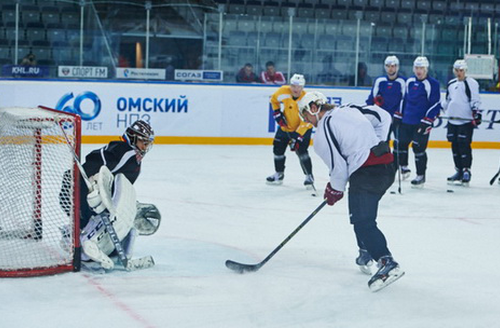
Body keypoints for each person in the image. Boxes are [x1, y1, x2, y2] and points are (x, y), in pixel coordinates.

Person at [297, 91, 404, 291]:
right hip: (387, 167)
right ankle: (365, 252)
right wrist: (377, 144)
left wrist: (333, 190)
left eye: (305, 115)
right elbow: (384, 116)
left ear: (313, 108)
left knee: (363, 221)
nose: (306, 120)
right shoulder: (350, 109)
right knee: (359, 213)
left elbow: (339, 169)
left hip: (366, 174)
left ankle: (386, 262)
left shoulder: (322, 132)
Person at [59, 120, 160, 270]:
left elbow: (120, 186)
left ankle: (91, 241)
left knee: (100, 215)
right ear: (132, 138)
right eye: (142, 142)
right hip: (75, 186)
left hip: (87, 188)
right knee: (87, 218)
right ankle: (75, 237)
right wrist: (93, 180)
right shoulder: (124, 151)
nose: (145, 147)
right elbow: (95, 160)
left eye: (147, 143)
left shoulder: (134, 159)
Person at [392, 56, 441, 187]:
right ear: (413, 69)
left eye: (422, 68)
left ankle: (421, 175)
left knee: (418, 149)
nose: (419, 71)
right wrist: (398, 115)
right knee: (400, 145)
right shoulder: (409, 82)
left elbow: (435, 104)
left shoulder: (432, 84)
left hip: (421, 123)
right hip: (406, 121)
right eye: (417, 68)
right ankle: (399, 169)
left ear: (426, 69)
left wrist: (427, 120)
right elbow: (404, 100)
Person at [266, 74, 315, 189]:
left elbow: (309, 119)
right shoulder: (283, 91)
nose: (295, 89)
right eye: (293, 86)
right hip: (286, 127)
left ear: (303, 87)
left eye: (299, 87)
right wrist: (277, 113)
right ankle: (279, 174)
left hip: (303, 129)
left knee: (302, 152)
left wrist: (298, 136)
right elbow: (273, 100)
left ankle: (309, 176)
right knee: (277, 149)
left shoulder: (307, 99)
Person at [441, 59, 481, 185]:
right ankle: (458, 170)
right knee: (454, 146)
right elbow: (447, 100)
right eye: (457, 70)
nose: (459, 73)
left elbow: (475, 99)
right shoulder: (451, 83)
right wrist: (440, 109)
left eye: (461, 71)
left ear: (465, 71)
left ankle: (466, 171)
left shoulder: (471, 83)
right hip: (452, 120)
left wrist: (476, 113)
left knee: (464, 146)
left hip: (465, 121)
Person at [366, 55, 406, 138]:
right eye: (388, 66)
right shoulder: (380, 81)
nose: (390, 69)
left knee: (398, 142)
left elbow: (405, 100)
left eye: (392, 66)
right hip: (383, 116)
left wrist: (399, 114)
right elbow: (372, 98)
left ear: (397, 67)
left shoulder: (403, 81)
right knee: (383, 141)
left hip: (397, 117)